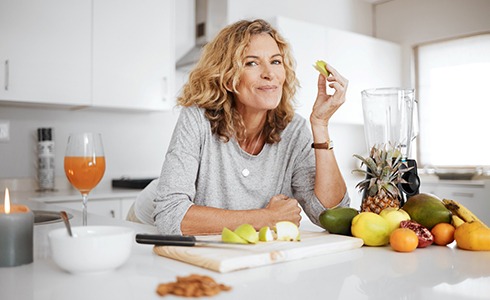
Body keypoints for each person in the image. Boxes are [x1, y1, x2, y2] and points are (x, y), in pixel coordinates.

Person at [132, 19, 350, 235]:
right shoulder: (197, 118)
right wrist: (266, 218)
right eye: (252, 63)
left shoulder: (294, 130)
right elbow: (170, 216)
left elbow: (332, 215)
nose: (269, 73)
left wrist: (320, 125)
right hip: (146, 225)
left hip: (220, 239)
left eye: (275, 61)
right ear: (228, 78)